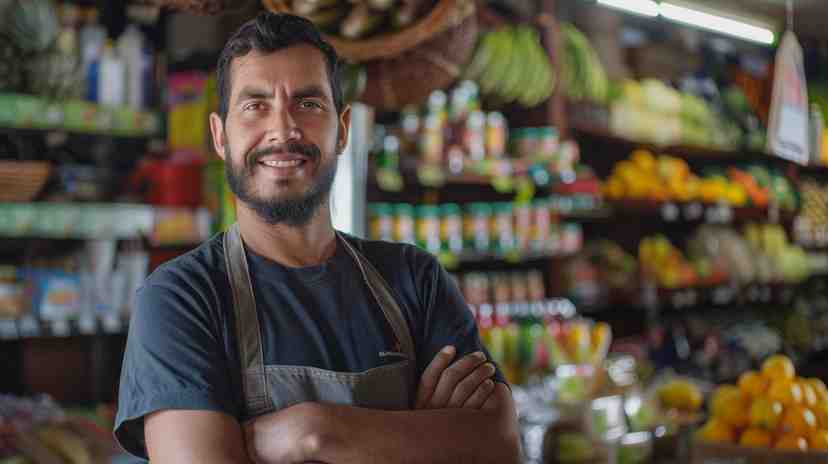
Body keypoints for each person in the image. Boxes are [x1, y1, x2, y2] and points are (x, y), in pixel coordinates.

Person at [114, 11, 520, 464]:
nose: (283, 130)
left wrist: (313, 431)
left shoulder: (414, 279)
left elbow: (498, 445)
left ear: (342, 128)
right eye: (255, 106)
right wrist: (419, 434)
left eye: (308, 103)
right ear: (220, 136)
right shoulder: (181, 299)